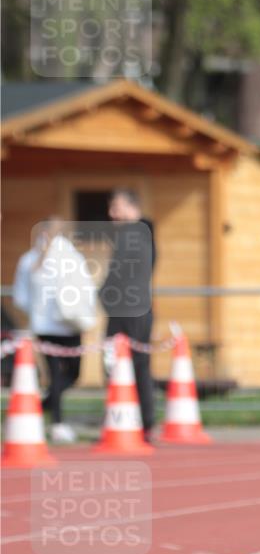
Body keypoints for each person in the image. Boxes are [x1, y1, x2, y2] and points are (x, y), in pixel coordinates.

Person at [12, 218, 93, 443]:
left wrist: (36, 312)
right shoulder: (69, 258)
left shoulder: (28, 260)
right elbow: (85, 289)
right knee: (68, 374)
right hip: (67, 326)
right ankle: (56, 421)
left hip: (46, 327)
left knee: (57, 376)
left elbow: (21, 298)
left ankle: (42, 406)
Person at [100, 189, 157, 443]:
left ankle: (128, 423)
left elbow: (120, 273)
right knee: (138, 366)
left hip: (127, 311)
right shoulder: (145, 233)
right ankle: (142, 423)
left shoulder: (133, 235)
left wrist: (102, 294)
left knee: (119, 366)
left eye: (116, 207)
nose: (112, 214)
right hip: (138, 309)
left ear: (131, 207)